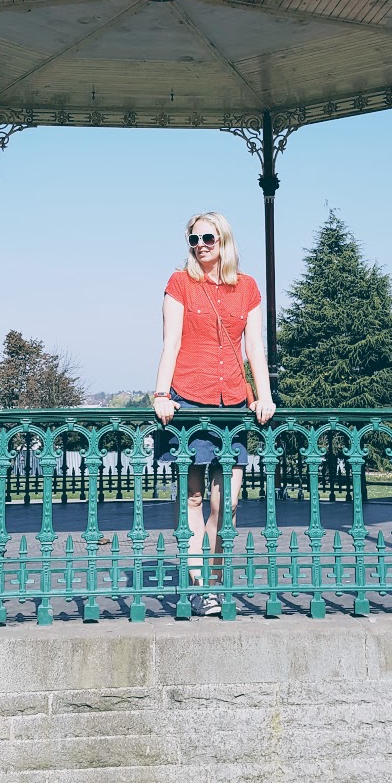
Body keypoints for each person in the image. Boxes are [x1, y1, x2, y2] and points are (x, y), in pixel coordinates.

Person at [153, 211, 276, 616]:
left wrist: (263, 396)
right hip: (187, 400)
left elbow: (255, 348)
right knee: (191, 497)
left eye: (208, 237)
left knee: (229, 503)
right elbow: (170, 342)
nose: (200, 245)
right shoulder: (179, 284)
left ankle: (217, 576)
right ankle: (201, 585)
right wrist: (160, 394)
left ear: (223, 239)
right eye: (193, 239)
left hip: (233, 405)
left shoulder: (248, 289)